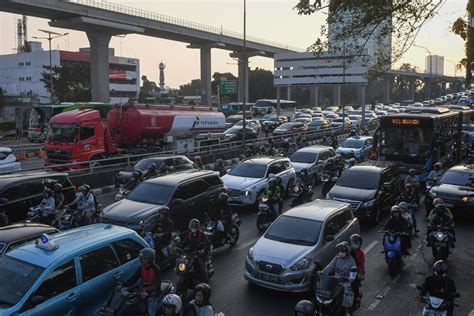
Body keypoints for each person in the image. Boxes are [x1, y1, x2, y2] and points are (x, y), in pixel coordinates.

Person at [118, 248, 162, 316]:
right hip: (141, 293)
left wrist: (147, 292)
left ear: (150, 258)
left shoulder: (156, 269)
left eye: (145, 258)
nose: (143, 260)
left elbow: (156, 284)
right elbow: (133, 278)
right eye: (142, 258)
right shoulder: (141, 268)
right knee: (126, 306)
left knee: (151, 312)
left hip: (152, 294)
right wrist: (122, 285)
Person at [179, 219, 212, 283]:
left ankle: (206, 281)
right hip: (191, 253)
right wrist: (178, 247)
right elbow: (183, 243)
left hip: (200, 254)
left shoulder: (201, 234)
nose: (193, 229)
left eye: (194, 228)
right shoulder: (189, 235)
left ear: (197, 228)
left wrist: (203, 250)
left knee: (202, 267)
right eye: (192, 228)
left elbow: (207, 243)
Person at [349, 234, 365, 313]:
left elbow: (361, 264)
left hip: (356, 271)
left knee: (355, 285)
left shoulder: (360, 253)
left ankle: (356, 297)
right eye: (353, 243)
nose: (355, 245)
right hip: (347, 271)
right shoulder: (347, 251)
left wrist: (360, 272)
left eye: (357, 243)